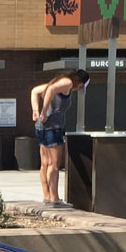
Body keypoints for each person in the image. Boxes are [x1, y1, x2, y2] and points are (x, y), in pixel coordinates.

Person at [30, 69, 89, 206]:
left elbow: (35, 91)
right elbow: (50, 90)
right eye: (81, 86)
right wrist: (44, 112)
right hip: (54, 127)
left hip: (42, 127)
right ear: (79, 81)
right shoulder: (67, 83)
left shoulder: (58, 82)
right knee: (54, 164)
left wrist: (36, 111)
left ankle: (47, 196)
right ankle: (54, 198)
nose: (78, 89)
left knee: (45, 163)